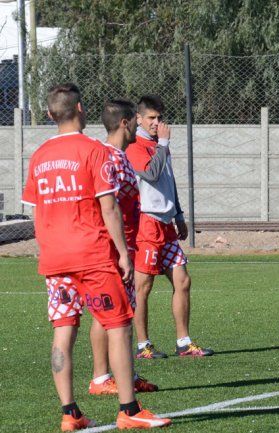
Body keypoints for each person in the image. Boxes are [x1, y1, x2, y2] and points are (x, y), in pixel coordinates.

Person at [21, 84, 170, 430]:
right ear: (81, 109)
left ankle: (69, 412)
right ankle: (128, 410)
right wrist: (123, 254)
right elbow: (109, 207)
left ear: (49, 114)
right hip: (92, 254)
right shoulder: (94, 150)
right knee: (118, 326)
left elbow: (35, 211)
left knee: (63, 332)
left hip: (55, 258)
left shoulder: (40, 155)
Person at [126, 95, 212, 358]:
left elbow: (168, 181)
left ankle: (184, 342)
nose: (157, 123)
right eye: (151, 118)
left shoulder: (159, 146)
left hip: (166, 224)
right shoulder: (135, 147)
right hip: (147, 224)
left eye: (159, 118)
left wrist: (179, 214)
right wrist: (163, 143)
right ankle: (143, 345)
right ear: (138, 118)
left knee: (183, 281)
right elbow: (151, 175)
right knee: (144, 286)